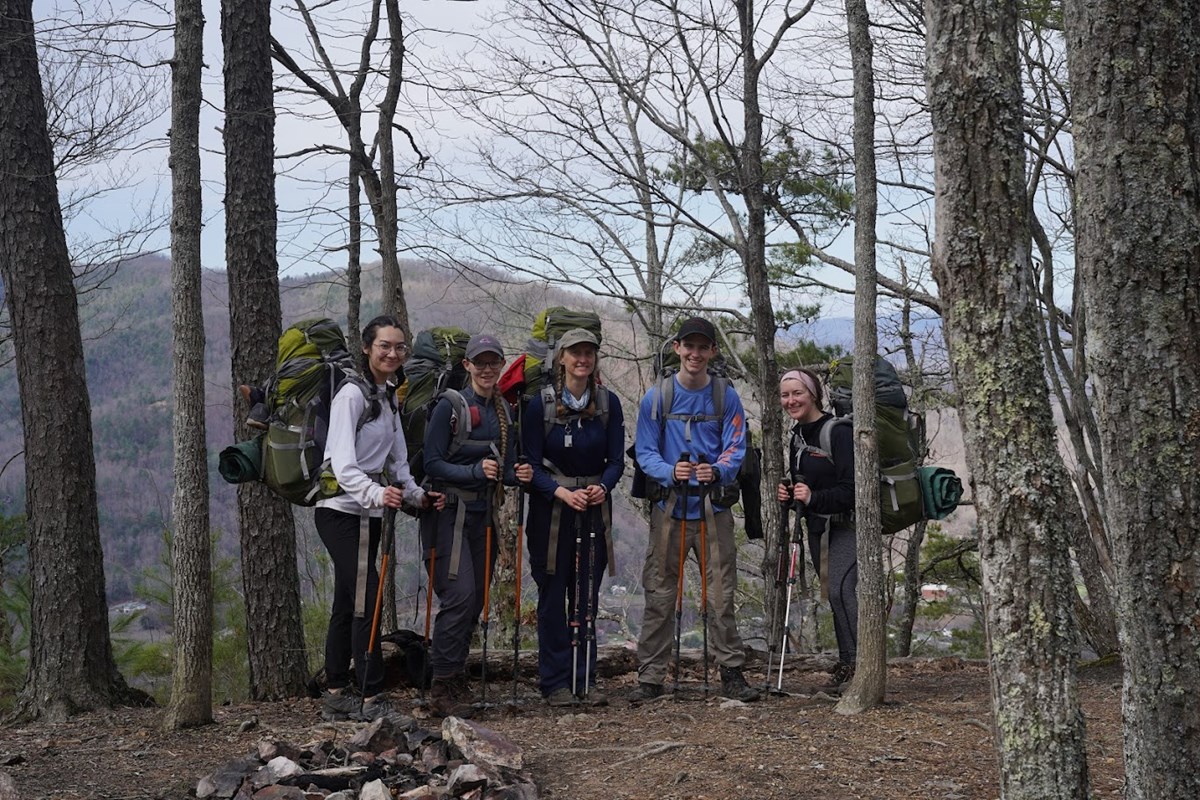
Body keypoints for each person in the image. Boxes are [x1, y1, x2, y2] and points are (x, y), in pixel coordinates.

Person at [318, 315, 445, 722]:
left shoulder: (388, 396)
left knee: (347, 601)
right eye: (384, 346)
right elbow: (342, 465)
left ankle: (336, 690)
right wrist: (377, 492)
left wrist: (417, 495)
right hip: (341, 512)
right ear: (367, 348)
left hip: (368, 515)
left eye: (399, 347)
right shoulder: (351, 397)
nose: (392, 353)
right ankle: (371, 697)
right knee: (366, 600)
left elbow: (399, 463)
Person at [631, 317, 759, 703]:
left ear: (713, 352)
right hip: (669, 508)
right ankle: (650, 678)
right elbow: (644, 451)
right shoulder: (657, 397)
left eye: (703, 347)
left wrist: (717, 470)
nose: (695, 354)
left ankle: (731, 674)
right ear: (677, 348)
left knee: (721, 596)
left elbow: (736, 448)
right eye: (689, 346)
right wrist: (671, 471)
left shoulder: (726, 396)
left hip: (712, 508)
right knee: (659, 595)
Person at [519, 329, 625, 707]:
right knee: (552, 596)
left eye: (589, 353)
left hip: (594, 511)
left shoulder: (608, 404)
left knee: (586, 597)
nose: (582, 359)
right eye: (575, 353)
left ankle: (585, 677)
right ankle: (555, 683)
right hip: (551, 513)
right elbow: (530, 463)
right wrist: (561, 492)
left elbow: (616, 461)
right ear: (561, 358)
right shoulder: (540, 405)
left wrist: (604, 488)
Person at [423, 333, 519, 716]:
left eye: (494, 361)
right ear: (467, 366)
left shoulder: (503, 412)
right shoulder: (450, 406)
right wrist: (474, 470)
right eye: (480, 362)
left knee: (477, 598)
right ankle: (442, 686)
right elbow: (431, 463)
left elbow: (505, 468)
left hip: (485, 516)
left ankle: (456, 677)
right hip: (449, 515)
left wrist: (517, 473)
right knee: (459, 595)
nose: (487, 368)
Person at [776, 368, 857, 692]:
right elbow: (805, 482)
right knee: (833, 595)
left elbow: (853, 488)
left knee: (841, 591)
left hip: (847, 525)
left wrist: (813, 497)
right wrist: (791, 492)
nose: (791, 400)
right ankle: (848, 663)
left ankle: (860, 666)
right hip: (818, 527)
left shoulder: (837, 432)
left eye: (797, 393)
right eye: (785, 395)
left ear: (813, 394)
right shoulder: (798, 435)